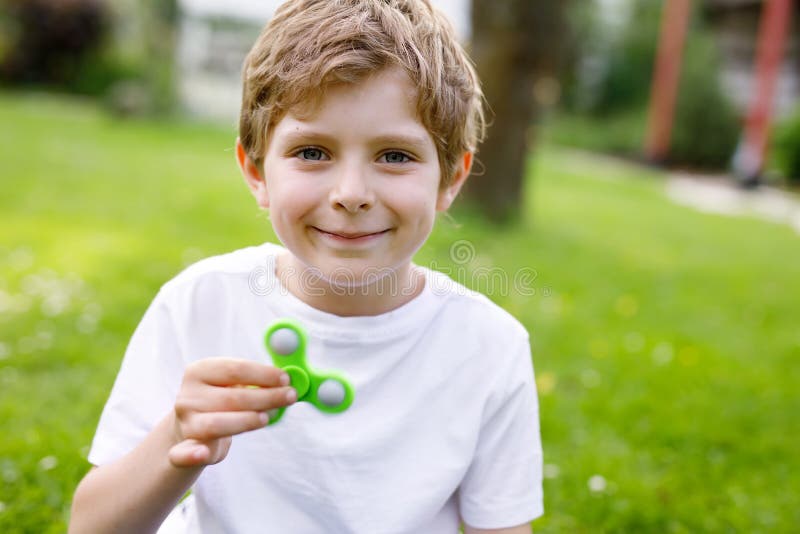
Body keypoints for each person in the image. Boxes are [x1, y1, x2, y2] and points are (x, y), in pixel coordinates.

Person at [69, 1, 543, 532]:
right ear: (256, 172)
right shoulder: (201, 304)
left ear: (450, 179)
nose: (351, 194)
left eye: (395, 156)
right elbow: (92, 526)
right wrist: (176, 441)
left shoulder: (489, 348)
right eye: (313, 152)